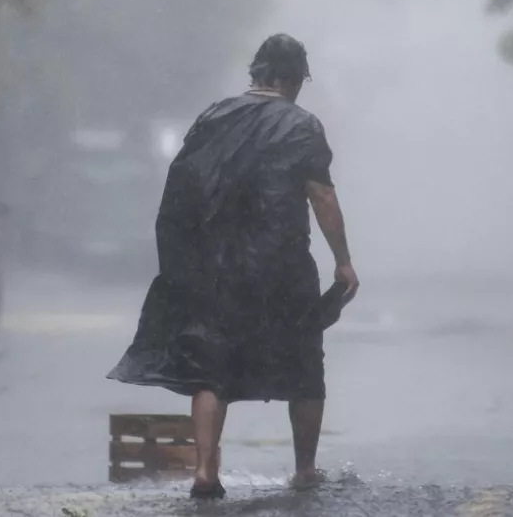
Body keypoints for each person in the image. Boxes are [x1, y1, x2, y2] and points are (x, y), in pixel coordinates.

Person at [106, 33, 359, 499]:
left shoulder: (213, 117)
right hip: (282, 265)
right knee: (304, 363)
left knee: (211, 369)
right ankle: (305, 470)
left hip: (217, 267)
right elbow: (322, 195)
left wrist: (182, 263)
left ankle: (205, 470)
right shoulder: (302, 125)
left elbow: (180, 192)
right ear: (290, 79)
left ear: (257, 73)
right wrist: (343, 262)